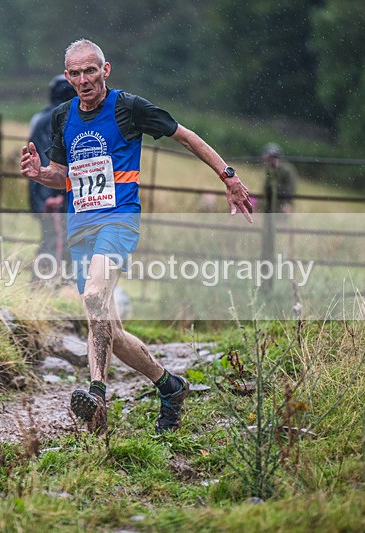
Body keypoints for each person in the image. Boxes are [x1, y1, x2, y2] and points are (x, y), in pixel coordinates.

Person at [20, 39, 253, 435]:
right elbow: (63, 175)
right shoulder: (62, 117)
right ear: (68, 77)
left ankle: (96, 396)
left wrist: (228, 177)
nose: (83, 80)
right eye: (74, 73)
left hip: (119, 221)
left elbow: (187, 136)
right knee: (110, 330)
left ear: (105, 70)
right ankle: (170, 385)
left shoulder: (129, 108)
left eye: (90, 71)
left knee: (94, 297)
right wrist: (41, 173)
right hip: (81, 229)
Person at [29, 75, 77, 277]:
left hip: (41, 190)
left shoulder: (40, 117)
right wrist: (55, 194)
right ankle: (42, 286)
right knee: (57, 240)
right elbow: (51, 157)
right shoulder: (57, 118)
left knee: (56, 238)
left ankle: (54, 285)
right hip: (53, 194)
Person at [262, 142, 297, 213]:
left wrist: (287, 203)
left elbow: (291, 188)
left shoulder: (287, 170)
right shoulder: (269, 170)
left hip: (281, 203)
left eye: (271, 158)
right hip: (269, 204)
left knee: (281, 222)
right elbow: (266, 187)